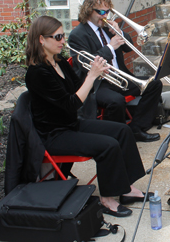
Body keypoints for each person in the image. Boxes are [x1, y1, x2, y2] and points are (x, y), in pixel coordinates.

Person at [25, 16, 153, 217]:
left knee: (123, 130)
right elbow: (72, 103)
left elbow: (79, 89)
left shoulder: (60, 63)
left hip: (71, 124)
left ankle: (126, 189)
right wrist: (92, 76)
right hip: (54, 135)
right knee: (107, 145)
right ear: (41, 39)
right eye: (58, 37)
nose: (63, 41)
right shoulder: (37, 73)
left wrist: (98, 73)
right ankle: (107, 199)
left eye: (63, 35)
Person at [68, 0, 162, 142]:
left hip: (120, 77)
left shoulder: (106, 28)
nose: (105, 15)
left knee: (155, 84)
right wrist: (110, 47)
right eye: (101, 12)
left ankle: (136, 128)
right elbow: (88, 64)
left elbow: (128, 48)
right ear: (88, 11)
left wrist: (121, 33)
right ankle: (115, 137)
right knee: (116, 100)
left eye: (108, 11)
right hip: (98, 84)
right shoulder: (77, 35)